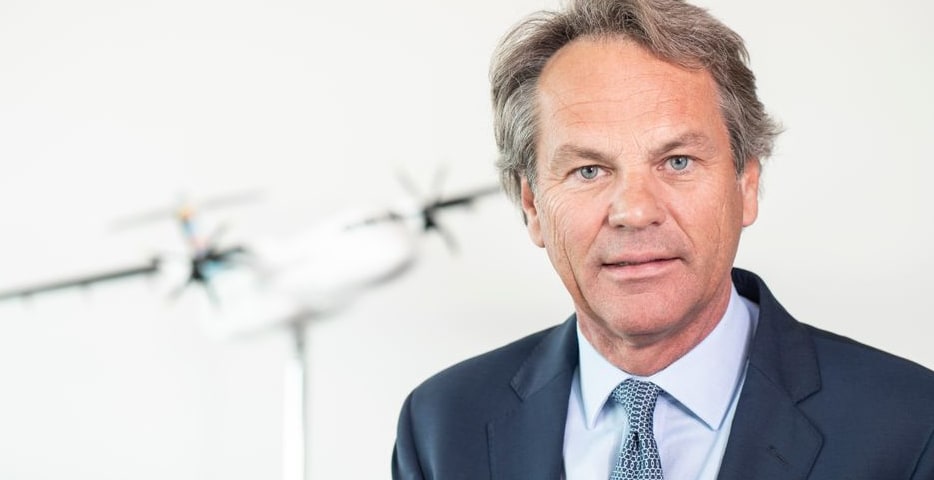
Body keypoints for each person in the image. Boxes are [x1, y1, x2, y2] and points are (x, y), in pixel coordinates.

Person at [392, 0, 934, 478]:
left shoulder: (911, 426)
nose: (634, 212)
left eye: (678, 161)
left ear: (747, 185)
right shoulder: (441, 426)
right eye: (588, 170)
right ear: (532, 206)